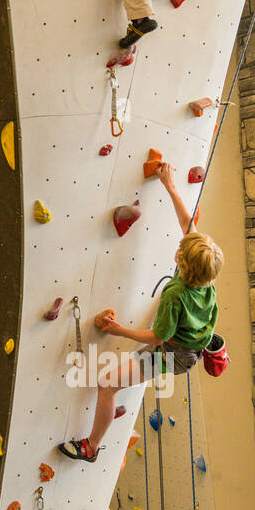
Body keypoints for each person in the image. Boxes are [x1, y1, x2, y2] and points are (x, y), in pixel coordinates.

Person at [58, 163, 223, 463]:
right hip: (189, 345)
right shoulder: (207, 276)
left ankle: (91, 447)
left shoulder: (176, 295)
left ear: (181, 262)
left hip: (172, 355)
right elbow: (188, 225)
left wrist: (118, 329)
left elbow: (158, 336)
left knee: (108, 384)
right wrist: (170, 186)